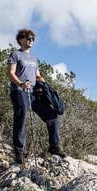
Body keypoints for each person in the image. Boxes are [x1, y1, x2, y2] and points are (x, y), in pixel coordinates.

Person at [7, 28, 65, 165]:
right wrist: (20, 84)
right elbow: (10, 72)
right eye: (28, 38)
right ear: (21, 39)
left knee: (52, 116)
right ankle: (19, 153)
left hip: (34, 92)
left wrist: (45, 86)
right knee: (21, 119)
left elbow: (37, 75)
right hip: (19, 91)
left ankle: (54, 147)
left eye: (33, 39)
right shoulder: (16, 55)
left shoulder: (33, 58)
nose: (31, 41)